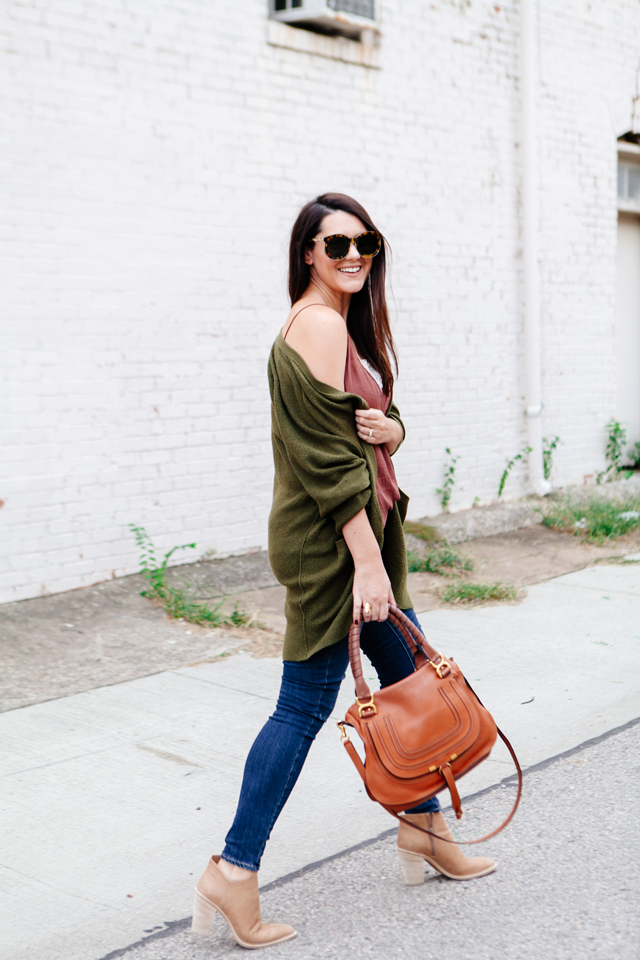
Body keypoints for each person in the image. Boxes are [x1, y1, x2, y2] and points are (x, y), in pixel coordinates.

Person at [191, 193, 496, 949]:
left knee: (415, 679)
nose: (355, 254)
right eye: (337, 245)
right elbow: (326, 461)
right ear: (307, 254)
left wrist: (396, 427)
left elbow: (365, 428)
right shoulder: (319, 323)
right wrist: (365, 561)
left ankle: (424, 830)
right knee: (302, 707)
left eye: (366, 242)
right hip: (338, 548)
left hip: (359, 540)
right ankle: (233, 869)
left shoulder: (333, 325)